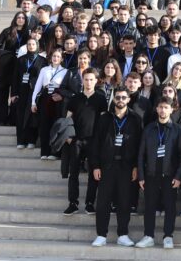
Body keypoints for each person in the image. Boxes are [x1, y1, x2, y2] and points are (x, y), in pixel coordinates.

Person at [91, 85, 142, 247]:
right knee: (103, 201)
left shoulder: (135, 119)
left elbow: (140, 146)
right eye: (118, 97)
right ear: (114, 99)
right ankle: (101, 235)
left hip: (126, 167)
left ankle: (123, 234)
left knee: (125, 201)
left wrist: (136, 167)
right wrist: (95, 166)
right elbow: (95, 143)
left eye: (123, 97)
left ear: (128, 99)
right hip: (107, 165)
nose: (120, 100)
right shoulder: (104, 118)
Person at [136, 98, 181, 249]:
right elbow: (141, 154)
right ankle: (148, 236)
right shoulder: (149, 128)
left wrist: (178, 176)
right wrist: (141, 175)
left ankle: (168, 236)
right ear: (156, 109)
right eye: (160, 107)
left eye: (166, 107)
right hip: (151, 174)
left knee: (170, 206)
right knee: (149, 206)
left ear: (172, 110)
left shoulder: (178, 130)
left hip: (169, 175)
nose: (163, 110)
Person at [64, 68, 107, 215]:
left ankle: (89, 203)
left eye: (91, 79)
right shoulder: (75, 98)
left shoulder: (101, 99)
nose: (88, 82)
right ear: (82, 80)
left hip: (94, 141)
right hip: (76, 140)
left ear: (96, 81)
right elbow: (68, 118)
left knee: (93, 173)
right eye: (86, 79)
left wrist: (100, 140)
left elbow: (103, 121)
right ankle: (73, 203)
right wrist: (69, 137)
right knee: (73, 172)